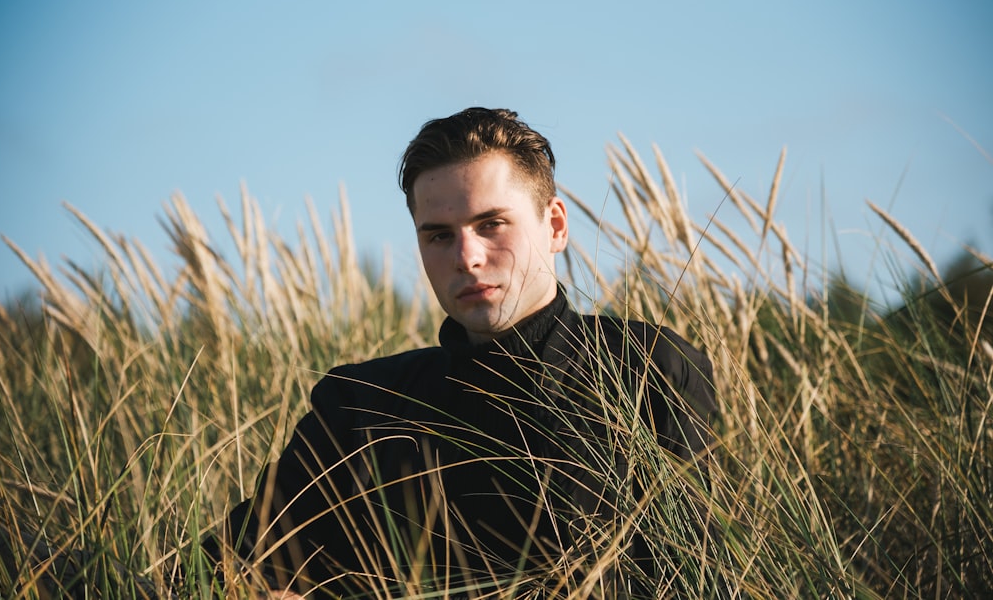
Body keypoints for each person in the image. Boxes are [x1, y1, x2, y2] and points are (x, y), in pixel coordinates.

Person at [200, 108, 718, 598]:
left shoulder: (647, 367)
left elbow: (705, 573)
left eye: (492, 225)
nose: (467, 257)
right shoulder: (363, 405)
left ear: (555, 226)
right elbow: (212, 569)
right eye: (440, 235)